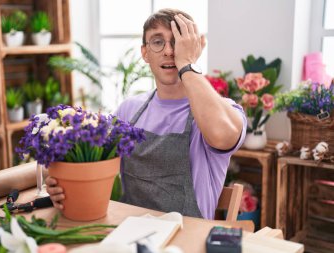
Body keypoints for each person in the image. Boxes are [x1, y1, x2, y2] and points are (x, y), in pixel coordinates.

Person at [46, 8, 246, 219]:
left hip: (186, 241)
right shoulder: (129, 110)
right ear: (145, 53)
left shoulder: (221, 110)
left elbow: (223, 136)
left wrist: (186, 65)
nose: (169, 51)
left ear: (193, 48)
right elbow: (91, 163)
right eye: (158, 42)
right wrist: (64, 182)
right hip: (129, 232)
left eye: (177, 41)